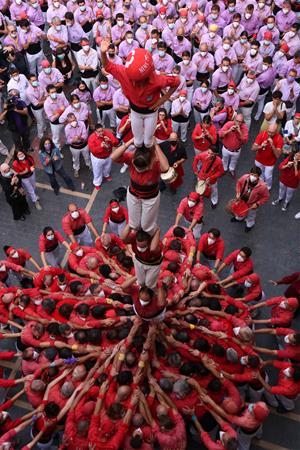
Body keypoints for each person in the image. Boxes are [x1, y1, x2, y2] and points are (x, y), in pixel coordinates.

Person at [100, 39, 180, 148]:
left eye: (137, 80)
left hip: (151, 112)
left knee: (148, 142)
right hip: (135, 112)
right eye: (131, 79)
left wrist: (163, 99)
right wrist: (103, 52)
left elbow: (176, 81)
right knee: (137, 142)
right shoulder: (125, 73)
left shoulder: (157, 80)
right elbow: (108, 66)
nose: (133, 82)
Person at [111, 139, 169, 235]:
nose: (139, 170)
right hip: (133, 195)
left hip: (151, 198)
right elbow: (113, 157)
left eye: (142, 168)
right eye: (137, 167)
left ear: (149, 163)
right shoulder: (132, 157)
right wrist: (130, 142)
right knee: (134, 224)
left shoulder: (155, 163)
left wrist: (156, 145)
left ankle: (155, 234)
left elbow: (166, 167)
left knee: (147, 226)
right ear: (133, 160)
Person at [231, 166, 270, 232]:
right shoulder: (244, 177)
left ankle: (249, 224)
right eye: (251, 174)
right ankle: (239, 218)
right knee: (240, 211)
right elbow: (239, 183)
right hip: (242, 200)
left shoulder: (262, 186)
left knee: (251, 215)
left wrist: (257, 204)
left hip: (252, 204)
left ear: (259, 176)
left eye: (255, 175)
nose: (252, 177)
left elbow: (266, 197)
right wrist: (238, 192)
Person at [252, 123, 283, 190]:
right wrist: (261, 146)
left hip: (270, 163)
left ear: (276, 131)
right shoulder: (262, 134)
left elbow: (277, 155)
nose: (270, 134)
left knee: (268, 176)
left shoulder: (279, 139)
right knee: (260, 174)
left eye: (272, 133)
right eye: (269, 131)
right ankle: (260, 184)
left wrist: (272, 146)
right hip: (259, 160)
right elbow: (253, 148)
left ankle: (268, 187)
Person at [88, 124, 119, 190]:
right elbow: (93, 150)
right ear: (95, 132)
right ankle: (97, 183)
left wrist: (110, 140)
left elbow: (116, 143)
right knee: (97, 171)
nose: (101, 133)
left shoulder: (107, 133)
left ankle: (106, 175)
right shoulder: (91, 138)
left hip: (108, 155)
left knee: (108, 167)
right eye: (99, 132)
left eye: (102, 131)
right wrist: (101, 147)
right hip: (97, 158)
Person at [65, 113, 91, 178]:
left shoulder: (82, 124)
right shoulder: (67, 128)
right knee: (76, 159)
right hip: (74, 147)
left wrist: (80, 138)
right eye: (70, 121)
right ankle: (76, 168)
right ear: (68, 122)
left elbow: (85, 136)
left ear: (76, 118)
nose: (73, 122)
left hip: (84, 145)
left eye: (74, 120)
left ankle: (89, 165)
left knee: (87, 156)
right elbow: (68, 140)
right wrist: (73, 140)